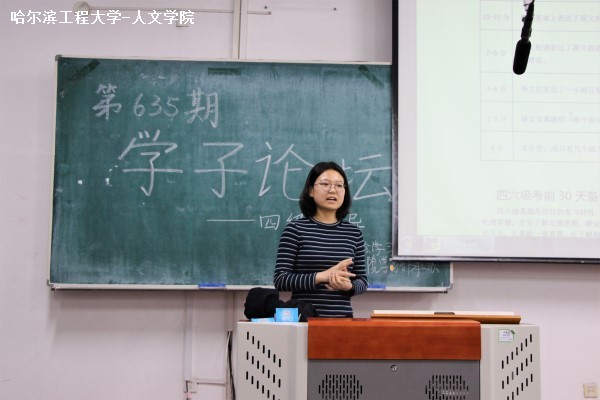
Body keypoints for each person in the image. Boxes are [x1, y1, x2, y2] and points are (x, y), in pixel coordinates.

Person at [273, 161, 368, 318]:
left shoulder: (354, 233)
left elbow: (362, 281)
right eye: (325, 184)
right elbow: (281, 280)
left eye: (339, 185)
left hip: (342, 321)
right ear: (311, 191)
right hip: (303, 320)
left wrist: (349, 287)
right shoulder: (295, 229)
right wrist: (322, 276)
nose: (332, 190)